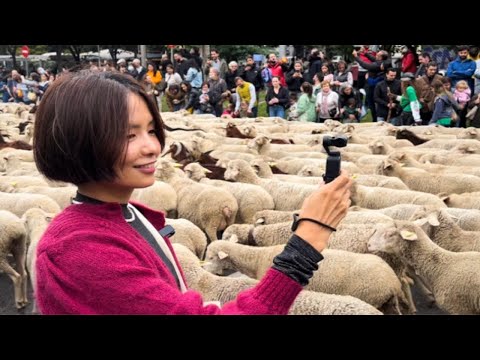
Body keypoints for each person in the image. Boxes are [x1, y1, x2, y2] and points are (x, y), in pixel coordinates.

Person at [32, 70, 353, 315]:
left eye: (152, 130)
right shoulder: (78, 251)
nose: (153, 147)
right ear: (80, 143)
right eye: (129, 135)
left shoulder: (122, 214)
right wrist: (307, 242)